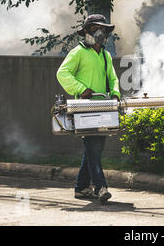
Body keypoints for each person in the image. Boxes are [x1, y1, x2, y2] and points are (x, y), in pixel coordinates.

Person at [56, 14, 121, 202]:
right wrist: (80, 89)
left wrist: (115, 93)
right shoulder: (78, 52)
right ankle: (100, 187)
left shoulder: (106, 56)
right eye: (94, 29)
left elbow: (113, 78)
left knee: (95, 148)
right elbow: (62, 73)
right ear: (85, 32)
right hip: (84, 109)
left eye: (103, 29)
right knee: (93, 147)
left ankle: (81, 187)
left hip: (104, 107)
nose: (99, 33)